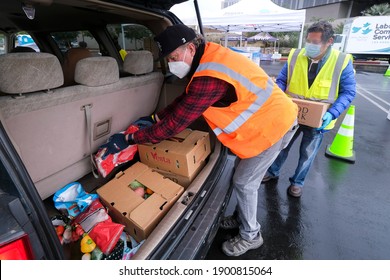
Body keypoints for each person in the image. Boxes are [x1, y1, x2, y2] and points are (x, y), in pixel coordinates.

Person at [101, 24, 298, 257]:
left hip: (273, 127)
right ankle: (240, 217)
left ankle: (251, 235)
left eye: (174, 57)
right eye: (168, 59)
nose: (172, 63)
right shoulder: (208, 58)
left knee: (245, 182)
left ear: (191, 49)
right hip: (265, 122)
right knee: (242, 177)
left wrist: (131, 138)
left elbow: (174, 125)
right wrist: (156, 116)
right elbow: (185, 100)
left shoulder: (209, 76)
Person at [262, 21, 356, 198]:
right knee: (282, 147)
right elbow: (282, 80)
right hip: (291, 114)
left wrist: (332, 113)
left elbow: (348, 92)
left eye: (315, 43)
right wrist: (279, 96)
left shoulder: (342, 61)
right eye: (308, 41)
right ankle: (272, 172)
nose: (310, 46)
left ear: (329, 41)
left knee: (307, 153)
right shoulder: (296, 55)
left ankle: (297, 182)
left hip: (318, 120)